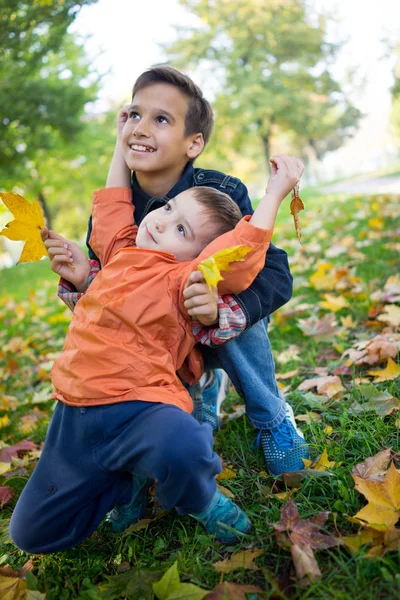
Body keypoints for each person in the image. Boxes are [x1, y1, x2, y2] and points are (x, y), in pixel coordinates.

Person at [10, 155, 304, 554]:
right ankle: (122, 481)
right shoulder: (120, 252)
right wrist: (119, 143)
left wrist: (274, 194)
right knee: (30, 535)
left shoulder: (184, 279)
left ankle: (202, 500)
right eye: (169, 208)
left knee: (184, 446)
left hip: (142, 406)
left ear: (200, 256)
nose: (161, 221)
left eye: (181, 229)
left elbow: (245, 249)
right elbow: (113, 205)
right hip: (75, 412)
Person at [56, 66, 310, 476]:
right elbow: (109, 296)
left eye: (160, 119)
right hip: (158, 345)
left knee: (226, 290)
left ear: (194, 143)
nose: (140, 128)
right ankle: (201, 390)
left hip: (212, 326)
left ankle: (272, 417)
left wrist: (220, 309)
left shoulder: (219, 194)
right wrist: (85, 278)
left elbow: (271, 270)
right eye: (134, 116)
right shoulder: (116, 214)